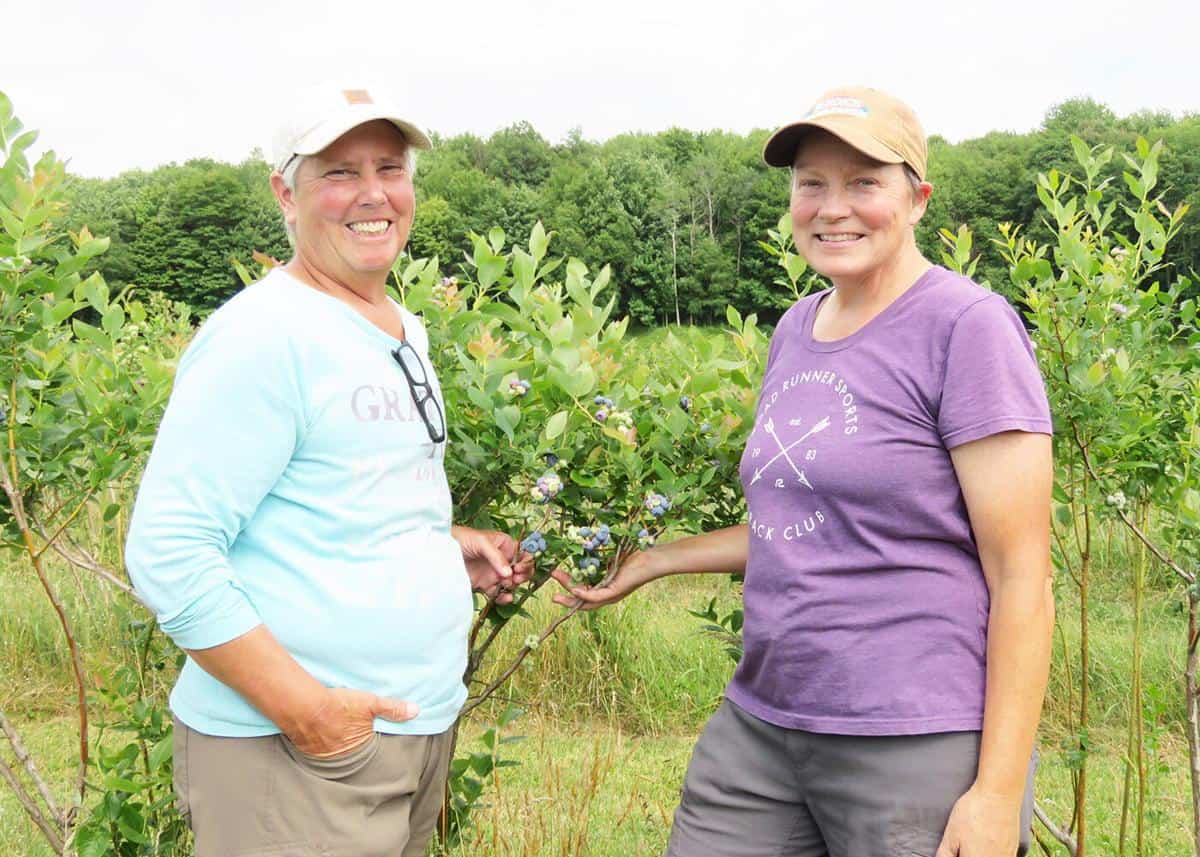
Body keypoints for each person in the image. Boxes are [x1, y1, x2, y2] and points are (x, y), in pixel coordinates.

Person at [554, 86, 1054, 857]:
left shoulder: (968, 327)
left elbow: (1022, 574)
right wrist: (655, 561)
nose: (832, 207)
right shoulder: (796, 326)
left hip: (911, 737)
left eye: (864, 183)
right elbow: (800, 524)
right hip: (764, 723)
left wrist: (996, 791)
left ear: (917, 199)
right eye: (811, 182)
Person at [126, 83, 532, 857]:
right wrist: (310, 714)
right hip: (297, 755)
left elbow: (342, 491)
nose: (373, 193)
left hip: (406, 736)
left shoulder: (396, 322)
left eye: (391, 166)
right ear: (286, 191)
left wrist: (441, 544)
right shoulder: (263, 336)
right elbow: (168, 551)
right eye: (339, 172)